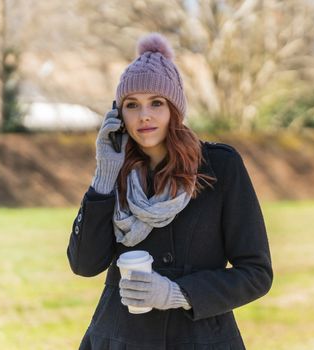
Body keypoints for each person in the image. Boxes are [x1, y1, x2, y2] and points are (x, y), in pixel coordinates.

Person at [66, 32, 273, 349]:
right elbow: (84, 265)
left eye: (156, 103)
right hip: (120, 337)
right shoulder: (115, 170)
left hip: (200, 339)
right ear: (118, 114)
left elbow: (256, 273)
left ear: (175, 109)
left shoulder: (220, 166)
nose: (144, 115)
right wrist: (105, 174)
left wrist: (179, 293)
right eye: (132, 105)